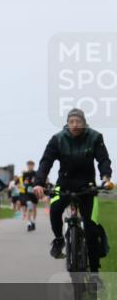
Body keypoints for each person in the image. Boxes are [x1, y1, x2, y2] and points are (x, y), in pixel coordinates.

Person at [33, 108, 112, 270]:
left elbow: (103, 159)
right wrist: (39, 182)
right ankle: (59, 239)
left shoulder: (95, 137)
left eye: (78, 122)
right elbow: (46, 161)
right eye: (71, 122)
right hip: (65, 184)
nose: (75, 125)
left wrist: (106, 178)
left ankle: (95, 273)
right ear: (67, 124)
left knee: (90, 231)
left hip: (87, 187)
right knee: (55, 209)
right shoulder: (58, 139)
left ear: (84, 123)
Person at [20, 160, 38, 231]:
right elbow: (23, 185)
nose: (30, 166)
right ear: (27, 166)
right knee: (29, 206)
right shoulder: (25, 174)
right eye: (29, 165)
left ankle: (33, 221)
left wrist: (35, 182)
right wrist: (25, 183)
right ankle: (28, 223)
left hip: (35, 193)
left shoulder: (36, 173)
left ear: (33, 166)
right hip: (27, 193)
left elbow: (39, 182)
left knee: (34, 208)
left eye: (31, 165)